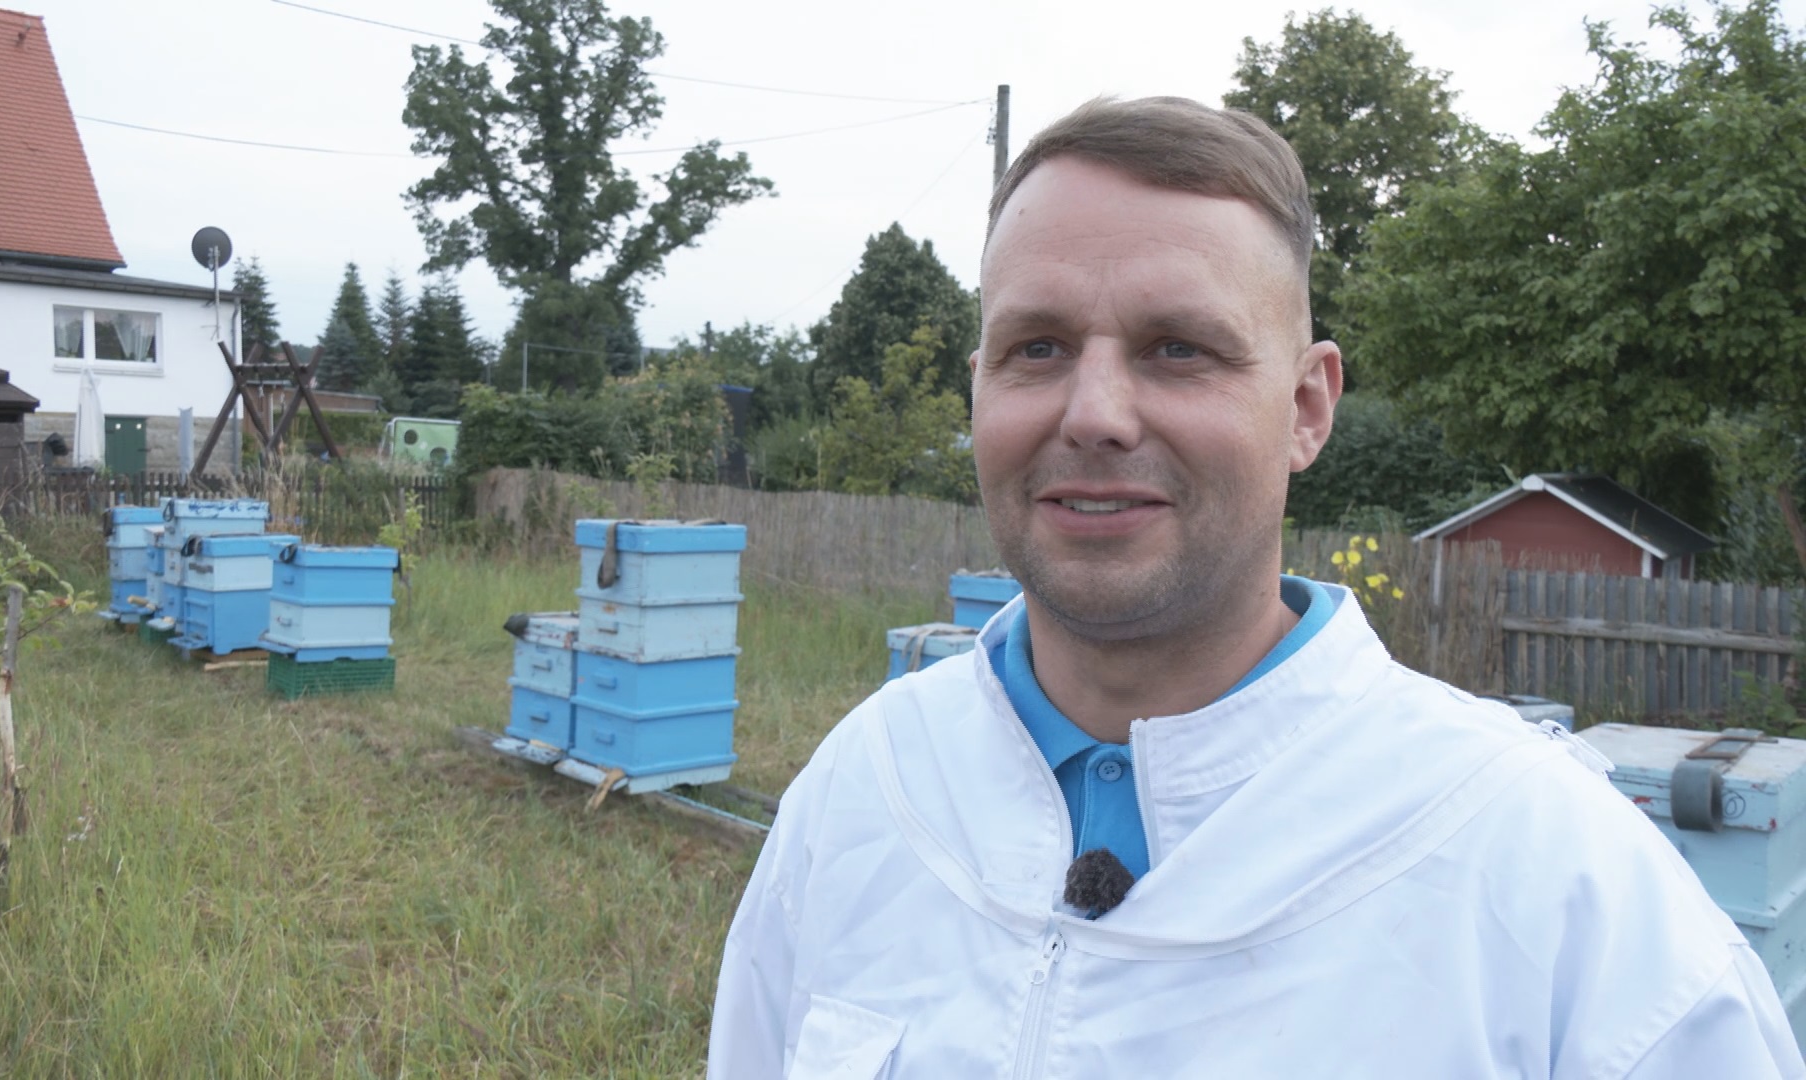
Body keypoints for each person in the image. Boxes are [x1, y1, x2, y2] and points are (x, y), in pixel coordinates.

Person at [708, 96, 1805, 1078]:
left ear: (1307, 407)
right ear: (981, 387)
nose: (1093, 412)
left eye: (1178, 348)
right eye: (1036, 347)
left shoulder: (1557, 881)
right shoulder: (866, 788)